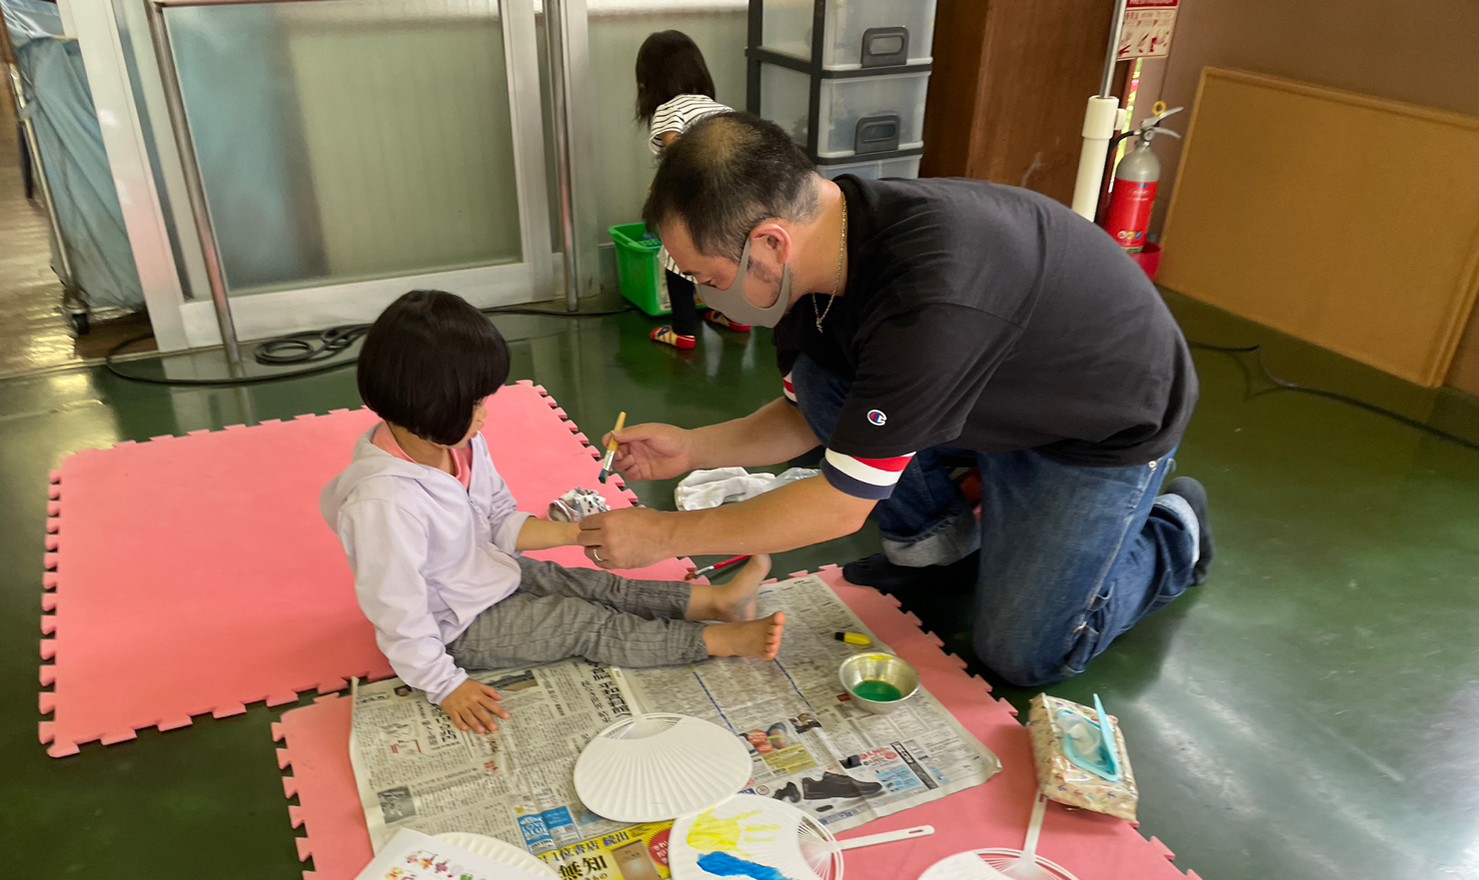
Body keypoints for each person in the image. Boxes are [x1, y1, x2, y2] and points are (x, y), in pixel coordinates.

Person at [576, 112, 1212, 688]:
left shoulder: (927, 299)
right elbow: (804, 415)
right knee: (822, 381)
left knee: (1023, 654)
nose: (705, 295)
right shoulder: (820, 251)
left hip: (1094, 428)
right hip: (993, 392)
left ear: (770, 243)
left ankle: (1173, 531)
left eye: (707, 277)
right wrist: (692, 448)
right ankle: (949, 547)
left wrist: (666, 534)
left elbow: (838, 506)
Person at [321, 290, 786, 735]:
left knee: (597, 586)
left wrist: (578, 534)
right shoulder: (383, 504)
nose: (484, 416)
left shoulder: (459, 443)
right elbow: (398, 613)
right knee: (585, 624)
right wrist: (445, 685)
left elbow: (499, 519)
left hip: (492, 572)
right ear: (430, 406)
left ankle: (716, 603)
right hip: (457, 627)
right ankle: (718, 641)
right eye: (475, 404)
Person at [634, 29, 751, 351]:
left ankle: (683, 331)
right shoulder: (721, 109)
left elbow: (677, 156)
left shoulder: (667, 111)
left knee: (676, 262)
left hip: (694, 204)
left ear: (649, 80)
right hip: (735, 204)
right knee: (725, 262)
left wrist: (664, 201)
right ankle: (736, 317)